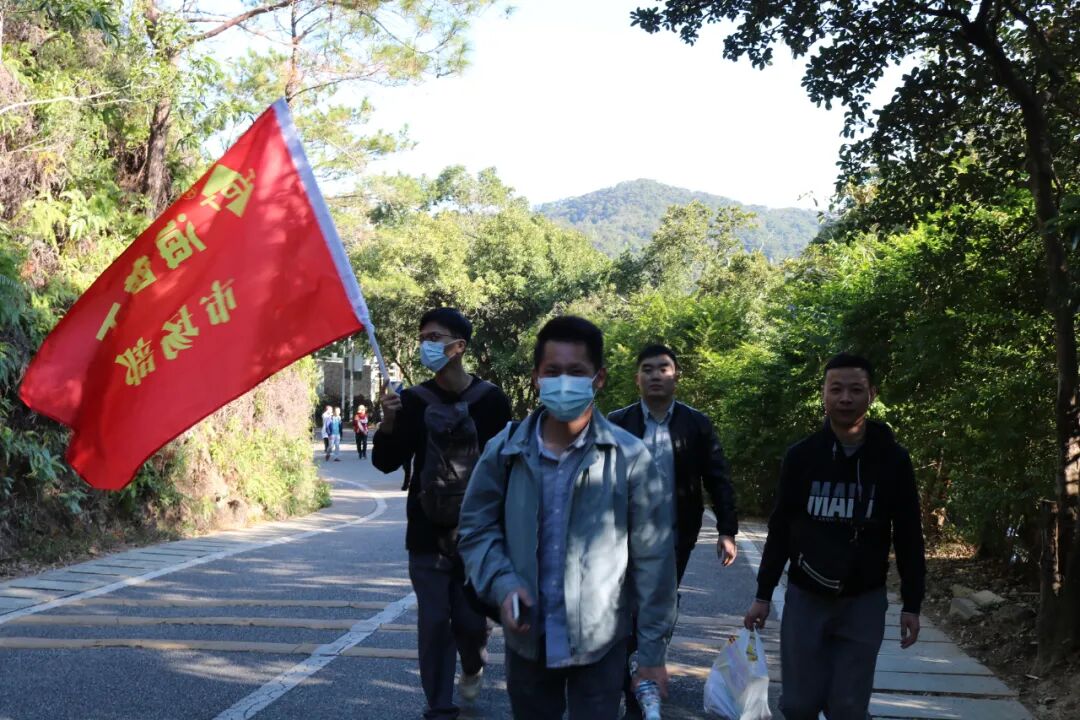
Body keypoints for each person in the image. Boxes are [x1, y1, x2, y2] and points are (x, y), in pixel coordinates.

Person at [458, 316, 677, 720]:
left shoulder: (630, 458)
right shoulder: (505, 450)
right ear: (536, 377)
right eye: (552, 371)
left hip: (601, 644)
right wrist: (503, 583)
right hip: (527, 640)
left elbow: (655, 562)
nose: (564, 382)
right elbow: (476, 528)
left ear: (599, 379)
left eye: (577, 372)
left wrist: (650, 654)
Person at [743, 352, 926, 720]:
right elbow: (780, 529)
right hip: (806, 597)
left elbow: (908, 533)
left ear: (871, 394)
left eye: (855, 390)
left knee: (848, 707)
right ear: (823, 394)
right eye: (836, 389)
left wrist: (912, 603)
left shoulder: (892, 460)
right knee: (798, 705)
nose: (845, 398)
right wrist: (763, 595)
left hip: (864, 599)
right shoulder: (802, 457)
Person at [372, 307, 512, 720]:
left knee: (471, 624)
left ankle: (473, 667)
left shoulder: (491, 401)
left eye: (434, 337)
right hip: (426, 533)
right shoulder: (413, 401)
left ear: (458, 346)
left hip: (478, 535)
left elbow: (505, 466)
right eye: (423, 338)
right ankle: (439, 707)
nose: (425, 346)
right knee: (434, 624)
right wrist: (388, 421)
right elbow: (384, 462)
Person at [608, 343, 738, 719]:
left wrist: (727, 530)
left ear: (675, 376)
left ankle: (640, 675)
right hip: (622, 533)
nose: (655, 376)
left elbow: (718, 478)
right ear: (637, 378)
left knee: (659, 606)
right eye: (647, 369)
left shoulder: (696, 424)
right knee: (625, 605)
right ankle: (633, 675)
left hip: (676, 532)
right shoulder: (618, 423)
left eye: (663, 369)